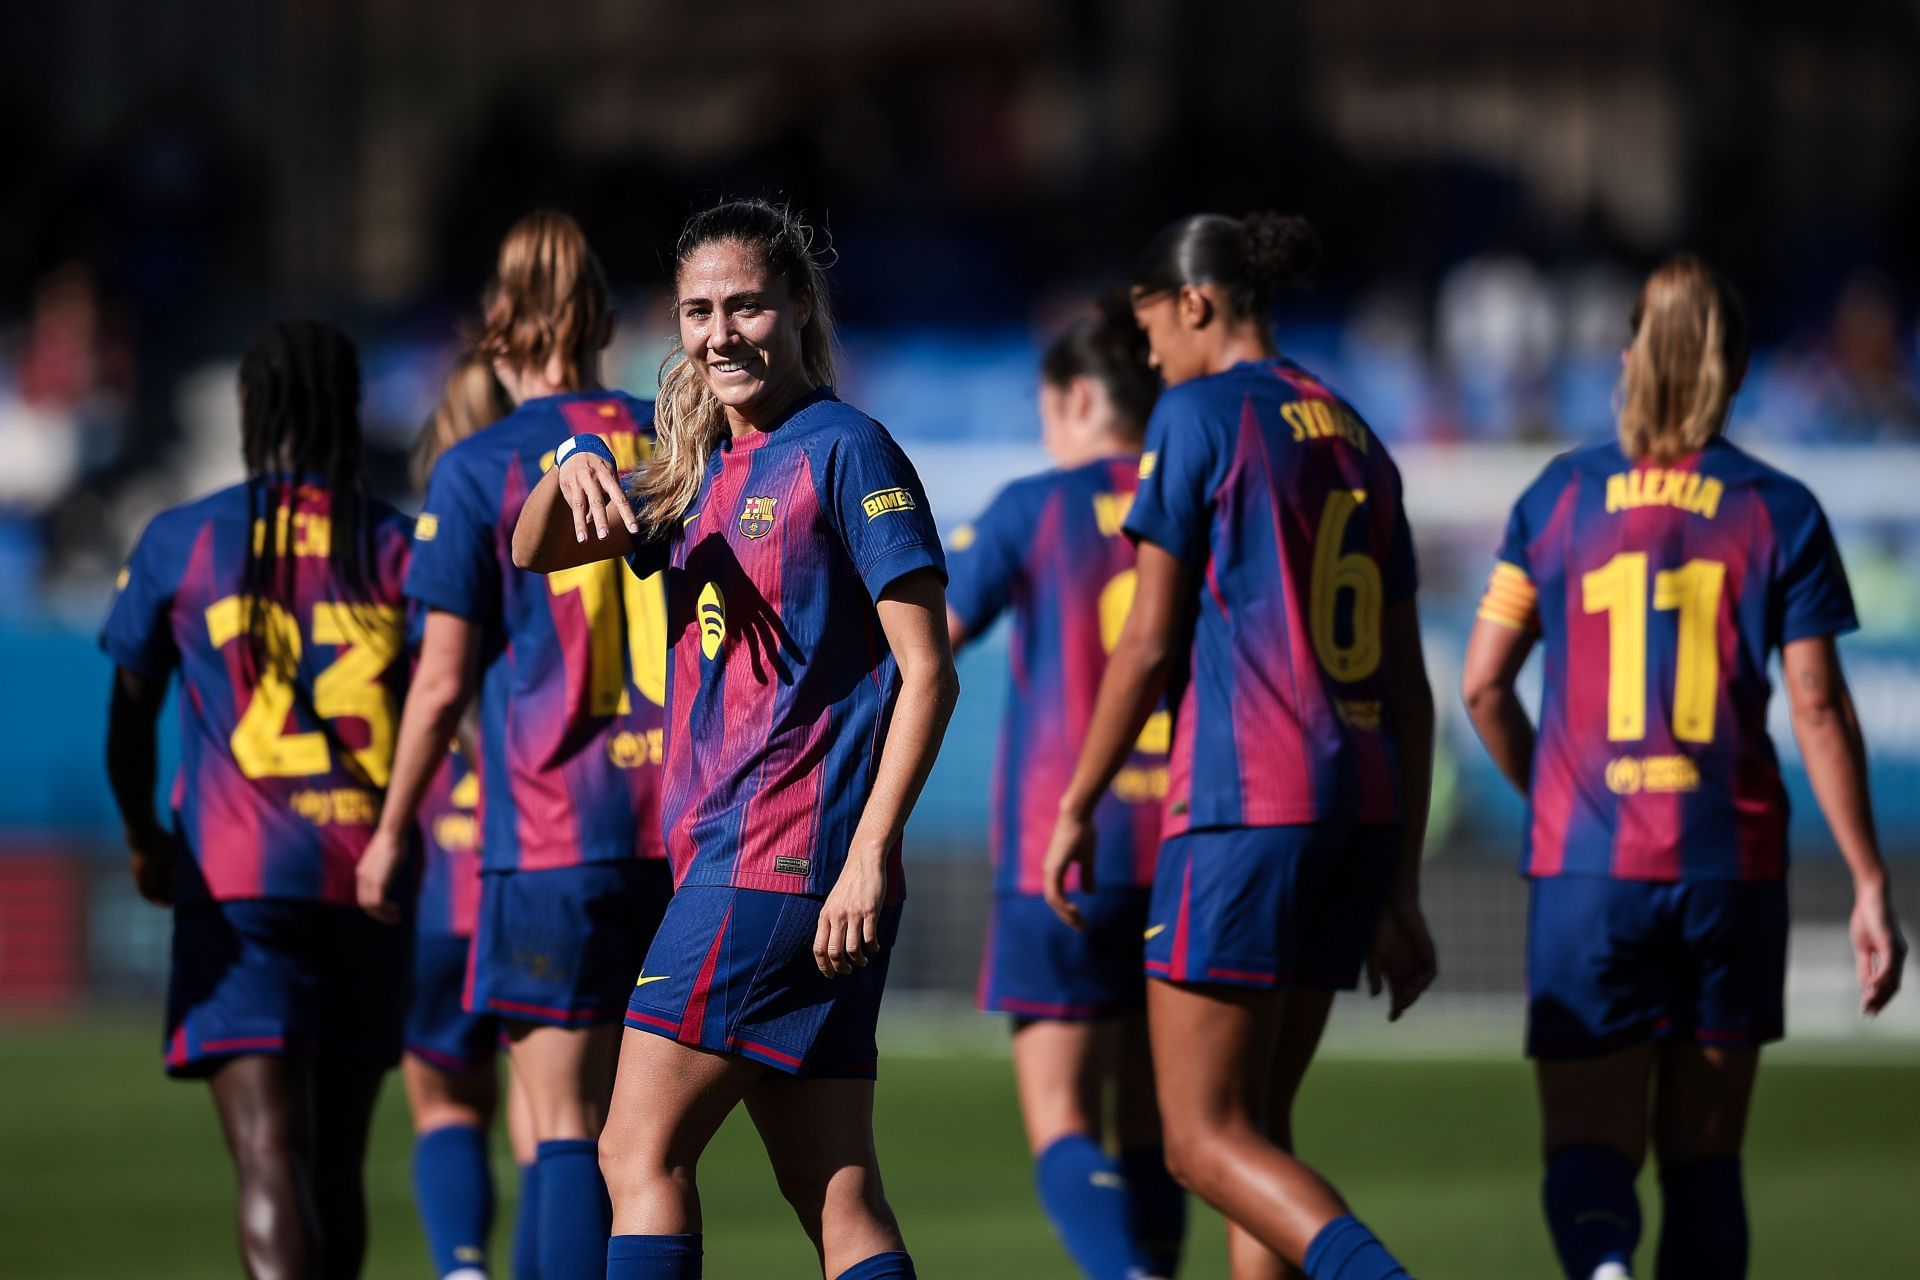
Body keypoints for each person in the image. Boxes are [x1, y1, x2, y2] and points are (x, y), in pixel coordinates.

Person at [512, 197, 958, 1280]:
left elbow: (930, 671)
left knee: (635, 1148)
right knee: (835, 1187)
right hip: (778, 873)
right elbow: (535, 550)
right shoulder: (699, 469)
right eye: (698, 311)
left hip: (772, 866)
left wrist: (868, 853)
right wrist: (563, 465)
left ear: (800, 309)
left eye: (748, 305)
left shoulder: (845, 449)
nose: (721, 333)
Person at [1459, 254, 1908, 1280]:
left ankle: (1606, 1270)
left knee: (1585, 1150)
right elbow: (1819, 704)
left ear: (1624, 362)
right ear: (1738, 370)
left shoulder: (1557, 496)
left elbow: (1484, 684)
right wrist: (1871, 883)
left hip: (1589, 868)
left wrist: (1553, 803)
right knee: (1706, 1163)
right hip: (1727, 866)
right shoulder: (1779, 508)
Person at [1042, 211, 1438, 1280]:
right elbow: (1410, 687)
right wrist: (1399, 881)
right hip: (1359, 808)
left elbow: (1147, 638)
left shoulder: (1201, 412)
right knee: (1255, 1125)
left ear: (1198, 303)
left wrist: (1077, 799)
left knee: (1199, 1137)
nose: (1150, 350)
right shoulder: (1358, 430)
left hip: (1245, 804)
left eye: (1152, 324)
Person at [356, 210, 672, 1280]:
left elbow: (441, 677)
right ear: (603, 321)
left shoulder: (479, 463)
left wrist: (395, 826)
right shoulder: (677, 438)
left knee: (563, 1126)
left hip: (551, 829)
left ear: (497, 330)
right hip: (683, 827)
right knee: (655, 1144)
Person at [102, 318, 414, 1278]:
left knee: (268, 1149)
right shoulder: (399, 546)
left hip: (237, 878)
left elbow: (129, 720)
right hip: (371, 873)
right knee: (340, 1162)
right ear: (349, 414)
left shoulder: (182, 540)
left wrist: (147, 836)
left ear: (247, 410)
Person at [945, 295, 1185, 1279]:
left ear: (1081, 396)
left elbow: (927, 641)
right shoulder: (1197, 497)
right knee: (1164, 1116)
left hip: (1063, 844)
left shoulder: (1030, 508)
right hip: (1186, 842)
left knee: (1062, 1118)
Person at [400, 356, 539, 1280]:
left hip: (438, 873)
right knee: (554, 1124)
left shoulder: (417, 548)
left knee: (444, 1102)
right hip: (541, 855)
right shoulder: (558, 541)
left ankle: (459, 1265)